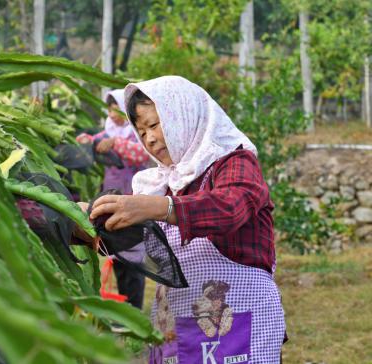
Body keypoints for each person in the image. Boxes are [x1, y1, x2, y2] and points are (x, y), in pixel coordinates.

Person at [87, 76, 286, 363]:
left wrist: (160, 206)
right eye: (141, 132)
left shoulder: (234, 161)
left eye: (154, 125)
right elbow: (137, 240)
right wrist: (87, 220)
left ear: (183, 112)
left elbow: (230, 208)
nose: (150, 139)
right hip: (177, 325)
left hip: (236, 320)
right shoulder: (162, 182)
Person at [77, 89, 149, 310]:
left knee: (134, 257)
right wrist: (85, 140)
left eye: (116, 106)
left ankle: (134, 309)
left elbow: (142, 154)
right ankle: (126, 308)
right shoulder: (108, 132)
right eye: (109, 107)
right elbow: (93, 140)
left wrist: (117, 143)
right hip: (112, 202)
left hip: (134, 203)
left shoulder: (136, 133)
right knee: (117, 252)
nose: (112, 111)